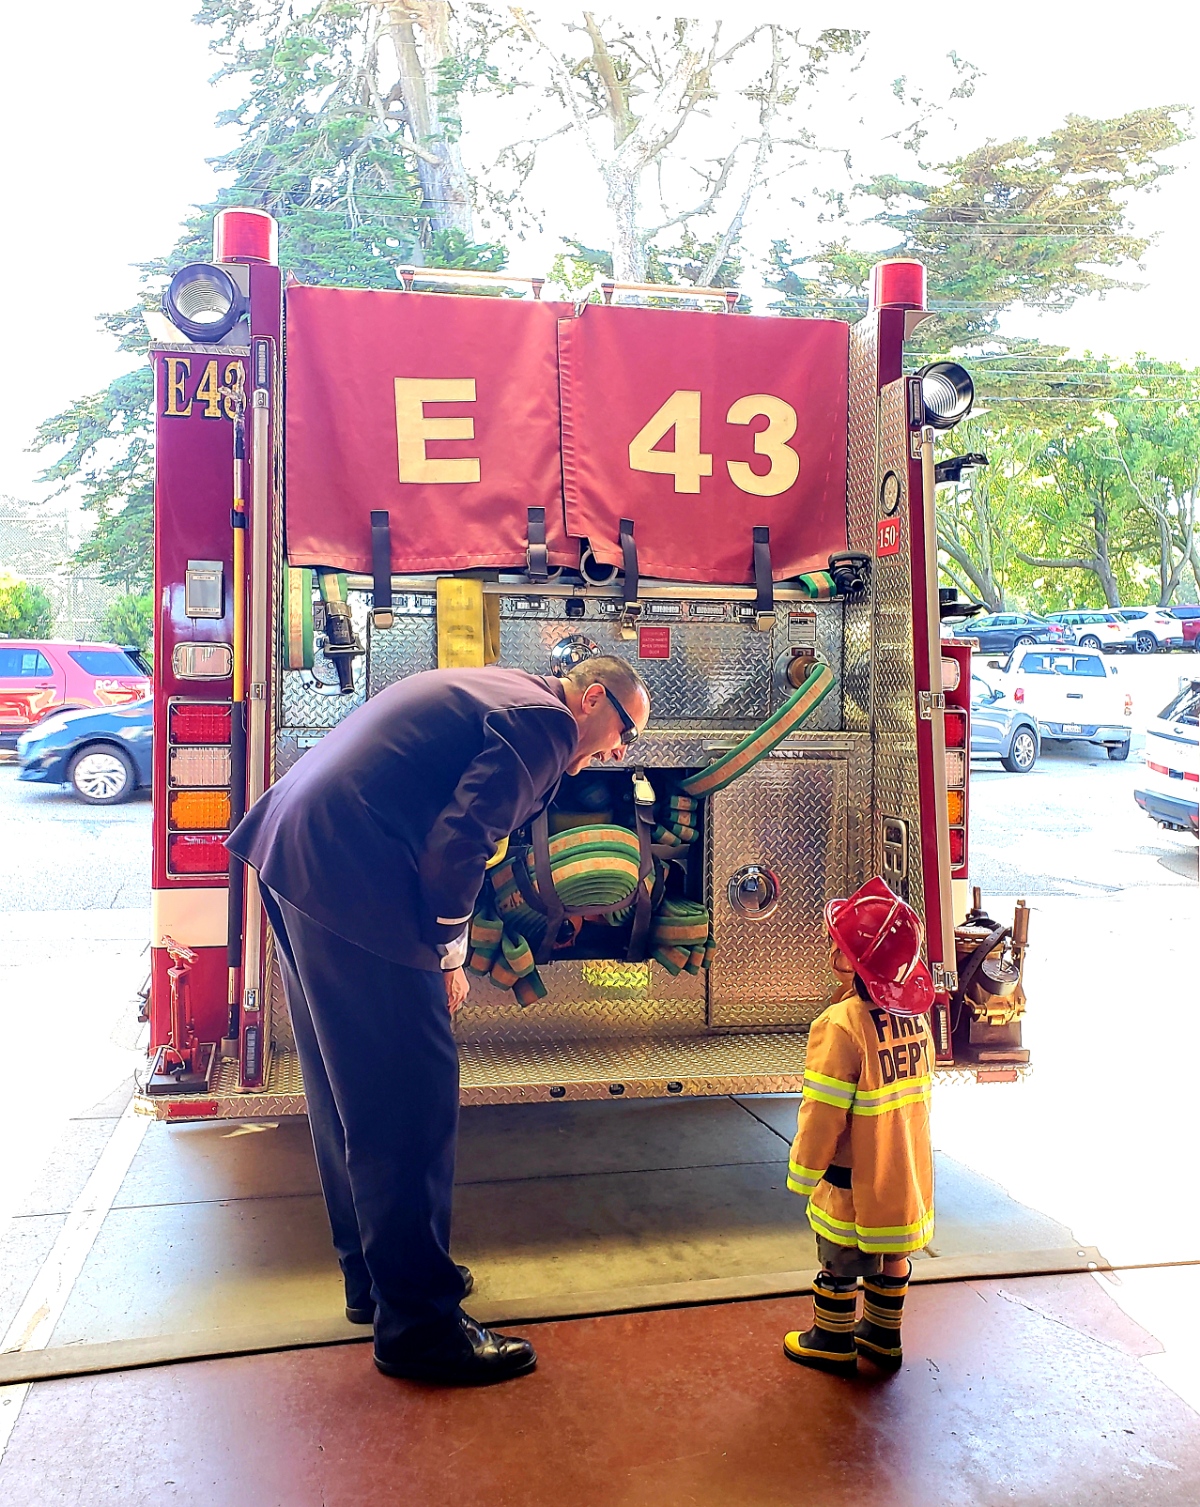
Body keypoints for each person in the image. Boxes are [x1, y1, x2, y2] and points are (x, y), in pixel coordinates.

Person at [226, 655, 651, 1385]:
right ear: (591, 697)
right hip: (348, 867)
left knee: (348, 1089)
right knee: (411, 1096)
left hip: (298, 848)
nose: (620, 751)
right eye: (625, 731)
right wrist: (450, 951)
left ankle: (378, 1280)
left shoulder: (509, 692)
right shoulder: (547, 725)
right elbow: (457, 843)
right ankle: (420, 1324)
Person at [782, 876, 936, 1375]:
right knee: (893, 1253)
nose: (833, 953)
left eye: (840, 947)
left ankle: (831, 1338)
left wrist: (804, 1172)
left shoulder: (840, 1024)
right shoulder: (915, 1020)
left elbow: (821, 1112)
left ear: (852, 963)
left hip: (852, 1179)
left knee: (841, 1260)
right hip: (904, 1175)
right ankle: (884, 1335)